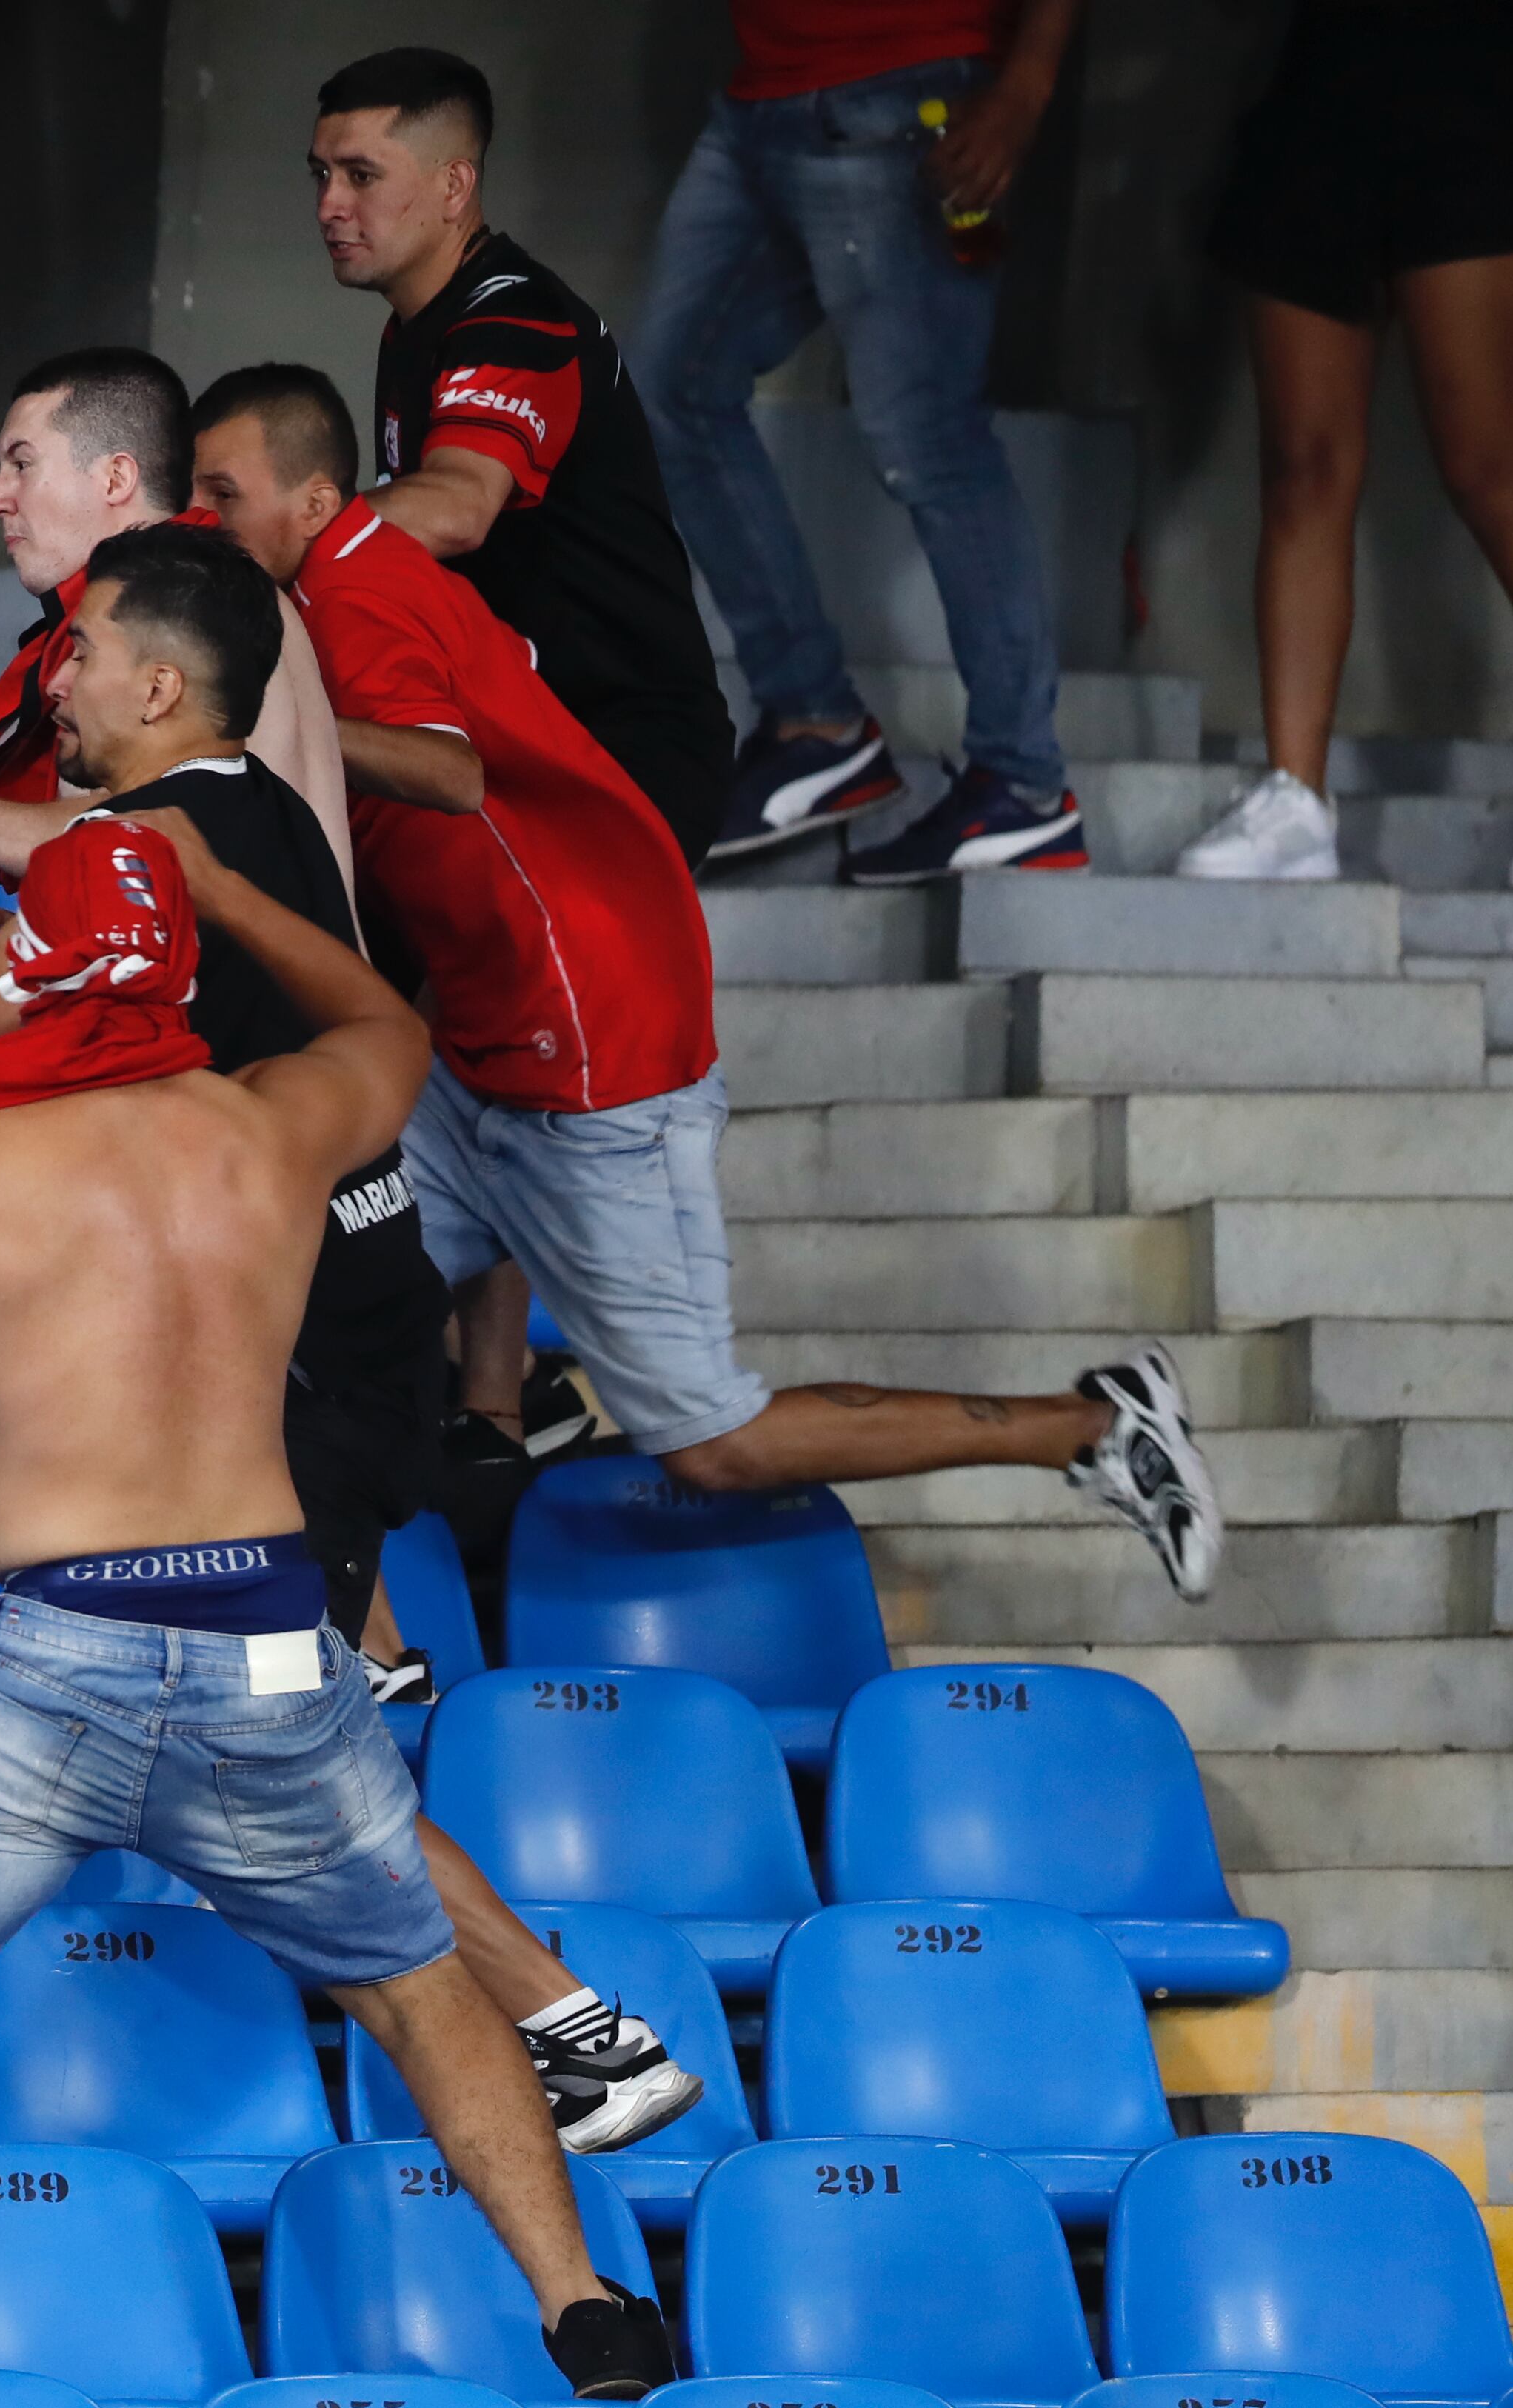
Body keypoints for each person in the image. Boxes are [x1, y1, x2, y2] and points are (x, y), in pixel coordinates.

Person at [0, 520, 701, 2163]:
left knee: (285, 1734)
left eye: (84, 646)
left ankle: (571, 2025)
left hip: (301, 1364)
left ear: (163, 681)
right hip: (328, 1337)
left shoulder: (161, 837)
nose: (60, 667)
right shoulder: (216, 818)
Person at [0, 818, 674, 2400]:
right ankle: (585, 2308)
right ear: (181, 967)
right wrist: (225, 890)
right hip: (276, 1648)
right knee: (421, 1984)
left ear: (27, 966)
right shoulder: (275, 1128)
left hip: (52, 1658)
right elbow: (394, 1028)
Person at [180, 356, 1228, 1601]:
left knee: (713, 1443)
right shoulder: (336, 585)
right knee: (279, 1279)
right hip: (483, 1054)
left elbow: (447, 771)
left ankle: (1093, 1424)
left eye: (220, 492)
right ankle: (361, 1624)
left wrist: (251, 741)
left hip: (592, 1065)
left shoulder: (360, 606)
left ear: (311, 501)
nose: (199, 520)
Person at [630, 0, 1089, 879]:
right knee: (669, 392)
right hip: (761, 99)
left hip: (904, 89)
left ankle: (1025, 784)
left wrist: (1027, 89)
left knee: (928, 436)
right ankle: (814, 722)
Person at [308, 46, 734, 875]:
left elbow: (460, 508)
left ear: (454, 186)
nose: (329, 204)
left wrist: (275, 537)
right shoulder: (417, 326)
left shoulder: (515, 315)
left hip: (622, 750)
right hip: (522, 739)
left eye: (361, 175)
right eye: (320, 174)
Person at [0, 346, 355, 884]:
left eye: (22, 463)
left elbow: (125, 838)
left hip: (232, 980)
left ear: (115, 479)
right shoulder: (220, 588)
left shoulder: (179, 606)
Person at [1175, 0, 1513, 882]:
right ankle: (1295, 799)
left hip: (1475, 90)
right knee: (1303, 466)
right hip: (1325, 92)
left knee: (1488, 468)